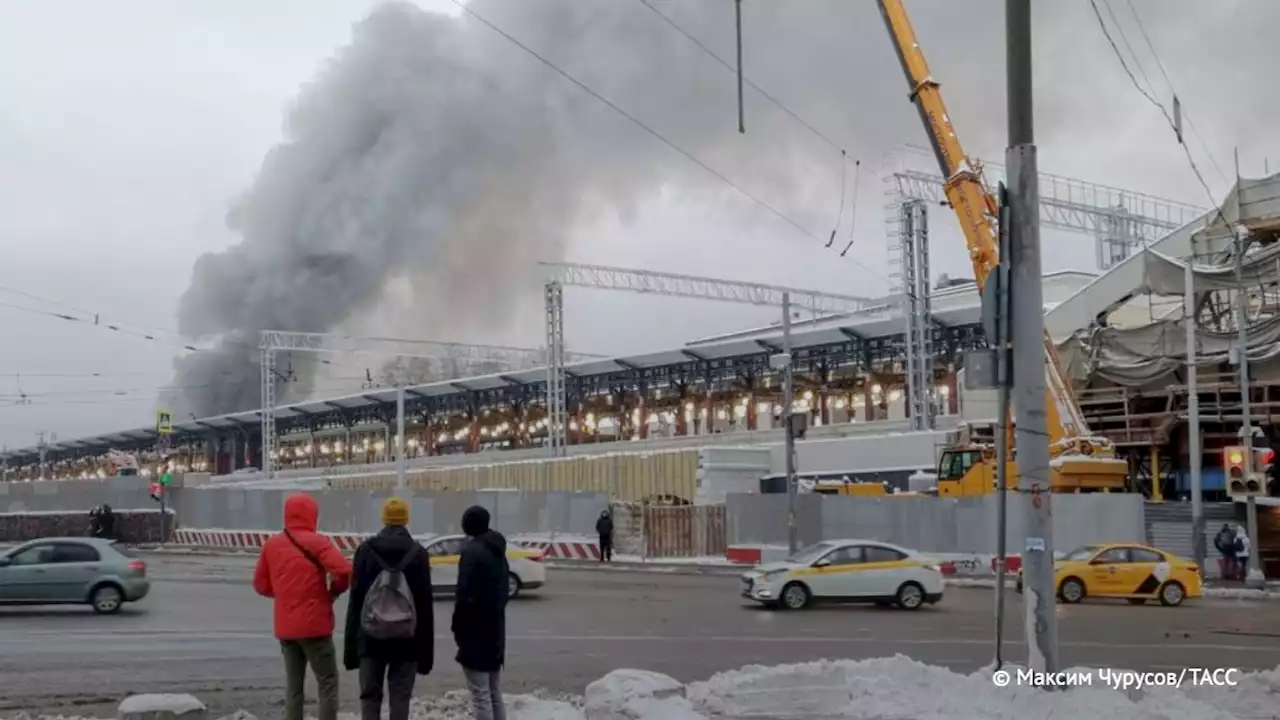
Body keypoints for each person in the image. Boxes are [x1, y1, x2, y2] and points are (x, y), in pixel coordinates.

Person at [253, 493, 352, 720]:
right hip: (315, 627)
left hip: (286, 629)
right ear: (312, 515)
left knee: (294, 687)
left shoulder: (272, 545)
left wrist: (284, 595)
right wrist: (333, 591)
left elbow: (260, 585)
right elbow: (344, 571)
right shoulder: (318, 542)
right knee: (327, 682)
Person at [344, 497, 434, 720]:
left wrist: (351, 650)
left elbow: (356, 601)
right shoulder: (419, 554)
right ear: (406, 520)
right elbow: (424, 606)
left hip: (370, 638)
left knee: (370, 698)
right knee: (400, 699)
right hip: (407, 641)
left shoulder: (365, 551)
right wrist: (425, 655)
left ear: (384, 519)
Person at [453, 505, 509, 720]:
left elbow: (464, 596)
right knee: (494, 692)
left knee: (480, 695)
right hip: (495, 632)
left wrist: (458, 629)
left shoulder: (472, 553)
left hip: (475, 634)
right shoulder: (498, 551)